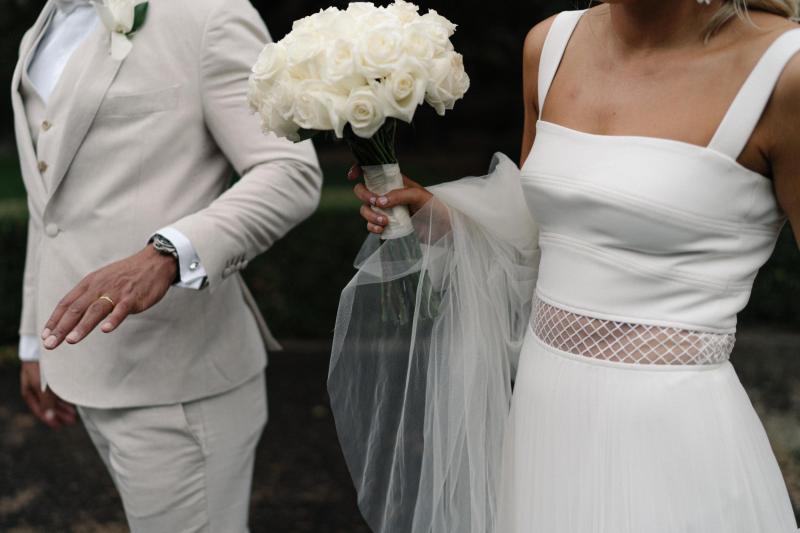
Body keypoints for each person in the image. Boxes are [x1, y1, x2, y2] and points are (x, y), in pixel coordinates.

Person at [331, 1, 800, 532]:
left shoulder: (785, 71)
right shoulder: (551, 44)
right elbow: (545, 231)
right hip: (544, 414)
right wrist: (439, 219)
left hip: (674, 434)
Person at [12, 0, 321, 530]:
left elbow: (290, 172)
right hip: (84, 369)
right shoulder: (44, 25)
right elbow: (50, 209)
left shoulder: (209, 15)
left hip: (179, 382)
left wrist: (167, 252)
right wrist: (34, 340)